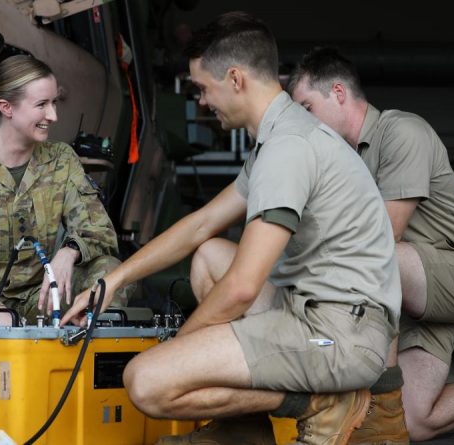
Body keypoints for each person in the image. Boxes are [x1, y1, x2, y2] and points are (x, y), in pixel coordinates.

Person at [62, 12, 401, 445]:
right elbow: (200, 225)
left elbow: (243, 286)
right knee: (209, 256)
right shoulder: (278, 139)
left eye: (203, 88)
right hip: (317, 311)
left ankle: (320, 402)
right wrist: (113, 280)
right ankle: (242, 431)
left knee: (147, 381)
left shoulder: (288, 149)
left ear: (236, 79)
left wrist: (181, 347)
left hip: (341, 336)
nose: (201, 101)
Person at [288, 46, 454, 443]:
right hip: (406, 298)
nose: (303, 122)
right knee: (416, 422)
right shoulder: (338, 161)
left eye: (306, 107)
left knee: (370, 257)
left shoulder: (401, 131)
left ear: (338, 93)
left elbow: (381, 240)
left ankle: (379, 405)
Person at [0, 55, 131, 343]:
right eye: (42, 105)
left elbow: (100, 232)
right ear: (6, 108)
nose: (53, 116)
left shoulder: (61, 161)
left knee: (108, 275)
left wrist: (69, 252)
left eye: (54, 103)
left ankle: (82, 374)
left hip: (41, 295)